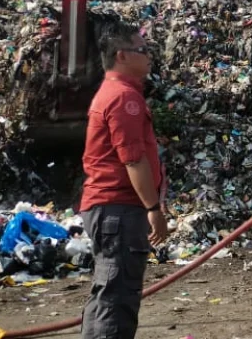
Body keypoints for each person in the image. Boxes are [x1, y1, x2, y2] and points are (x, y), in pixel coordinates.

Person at [78, 24, 168, 339]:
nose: (149, 57)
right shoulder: (123, 98)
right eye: (143, 50)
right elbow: (133, 159)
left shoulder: (115, 93)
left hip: (111, 209)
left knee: (108, 292)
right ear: (122, 55)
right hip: (119, 209)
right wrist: (153, 207)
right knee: (118, 297)